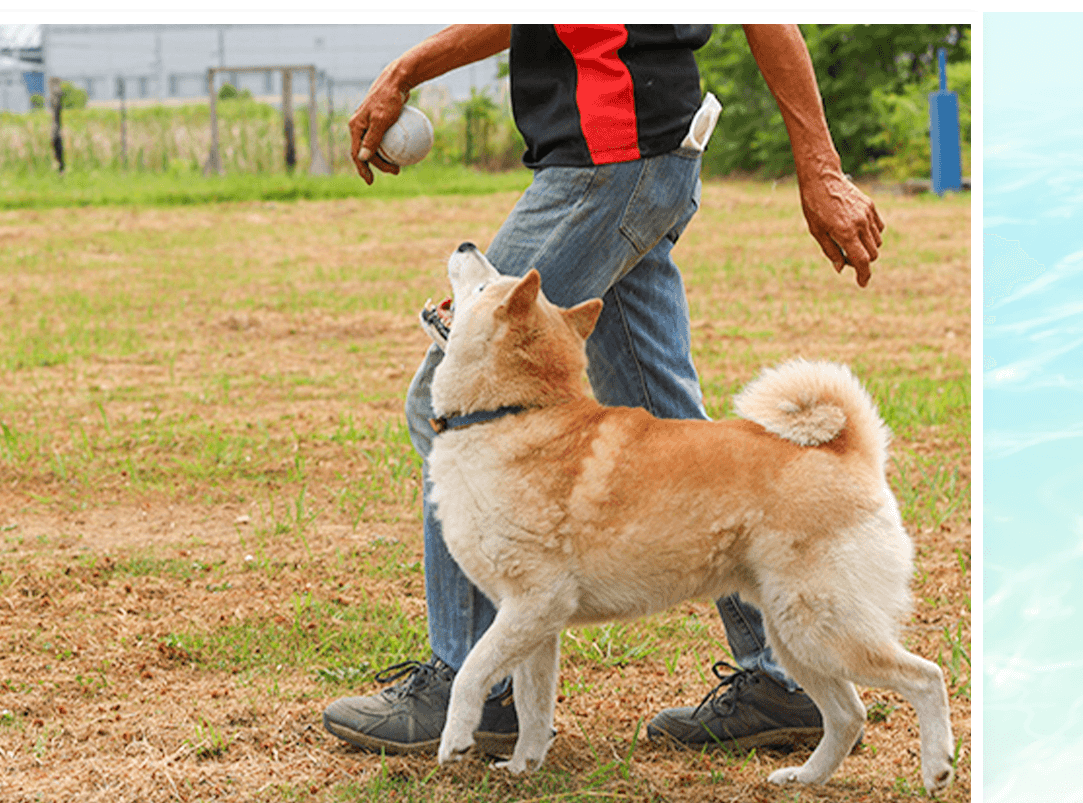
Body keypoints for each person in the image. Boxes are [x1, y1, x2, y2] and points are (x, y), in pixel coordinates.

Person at [322, 23, 886, 757]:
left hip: (608, 159)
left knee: (455, 404)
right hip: (637, 154)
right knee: (669, 420)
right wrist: (408, 68)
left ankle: (472, 681)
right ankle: (779, 675)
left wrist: (820, 166)